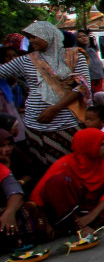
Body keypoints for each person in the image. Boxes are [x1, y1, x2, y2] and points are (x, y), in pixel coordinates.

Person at [0, 21, 89, 168]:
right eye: (30, 37)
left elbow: (83, 88)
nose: (31, 40)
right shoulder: (26, 60)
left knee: (67, 166)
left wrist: (54, 109)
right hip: (34, 125)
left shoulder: (75, 57)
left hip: (65, 123)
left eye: (35, 37)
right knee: (40, 167)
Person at [30, 128, 104, 235]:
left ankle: (85, 224)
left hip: (94, 206)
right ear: (88, 147)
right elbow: (37, 194)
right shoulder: (65, 163)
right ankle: (77, 225)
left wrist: (91, 215)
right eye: (101, 145)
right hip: (72, 209)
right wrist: (46, 223)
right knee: (57, 181)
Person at [0, 129, 50, 250]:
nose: (7, 149)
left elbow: (15, 192)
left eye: (9, 144)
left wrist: (9, 212)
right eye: (1, 146)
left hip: (9, 204)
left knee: (27, 209)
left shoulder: (15, 158)